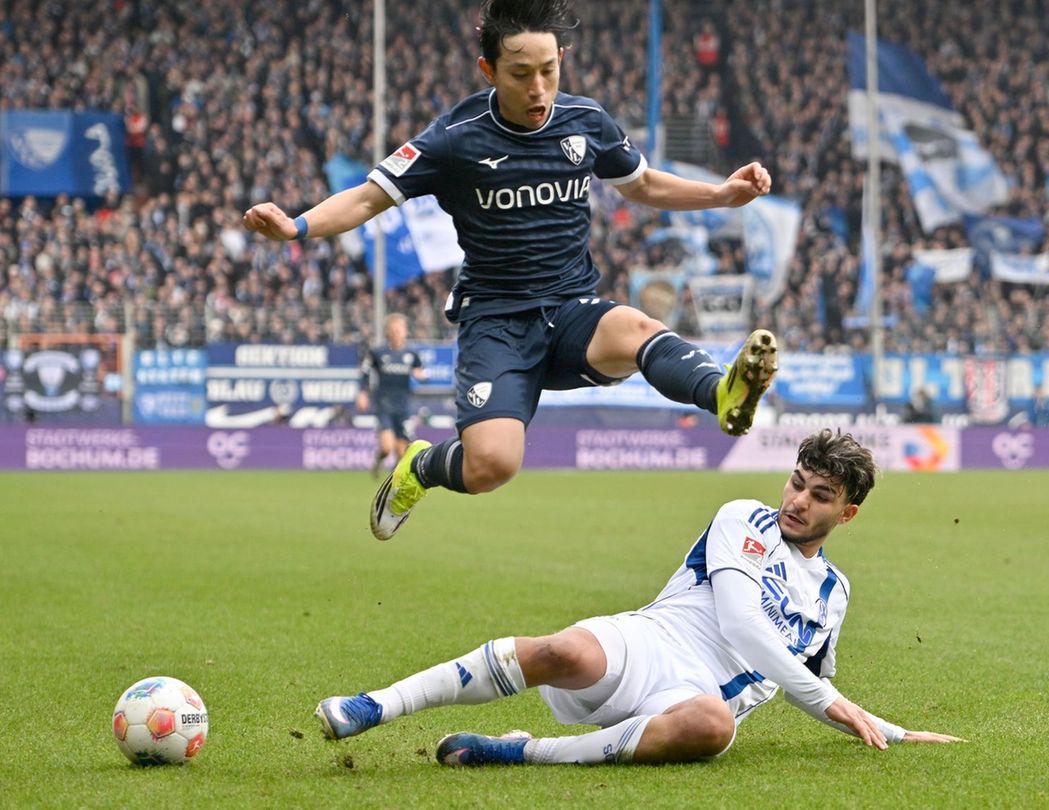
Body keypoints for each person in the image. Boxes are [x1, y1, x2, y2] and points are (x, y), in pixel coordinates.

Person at [244, 0, 780, 541]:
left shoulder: (586, 122)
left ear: (562, 59)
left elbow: (641, 183)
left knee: (639, 328)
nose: (538, 89)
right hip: (497, 322)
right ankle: (422, 467)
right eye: (521, 74)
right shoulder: (455, 137)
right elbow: (366, 199)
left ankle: (723, 393)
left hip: (572, 309)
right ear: (489, 71)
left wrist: (720, 194)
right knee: (492, 467)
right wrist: (297, 227)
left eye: (549, 71)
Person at [314, 430, 963, 766]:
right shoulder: (744, 518)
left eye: (819, 496)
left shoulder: (834, 594)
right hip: (651, 643)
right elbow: (741, 626)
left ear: (845, 515)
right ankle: (375, 705)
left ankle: (516, 752)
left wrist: (895, 733)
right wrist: (828, 699)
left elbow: (817, 687)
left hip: (692, 701)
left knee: (714, 729)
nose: (796, 500)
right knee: (563, 650)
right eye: (796, 482)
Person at [358, 314, 429, 477]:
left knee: (403, 454)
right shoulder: (378, 352)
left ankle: (393, 483)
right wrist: (362, 393)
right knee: (387, 447)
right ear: (387, 332)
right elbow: (365, 372)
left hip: (403, 407)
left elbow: (421, 372)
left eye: (400, 329)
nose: (397, 332)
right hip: (384, 405)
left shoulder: (411, 354)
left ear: (405, 331)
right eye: (393, 330)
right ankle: (378, 459)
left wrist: (422, 376)